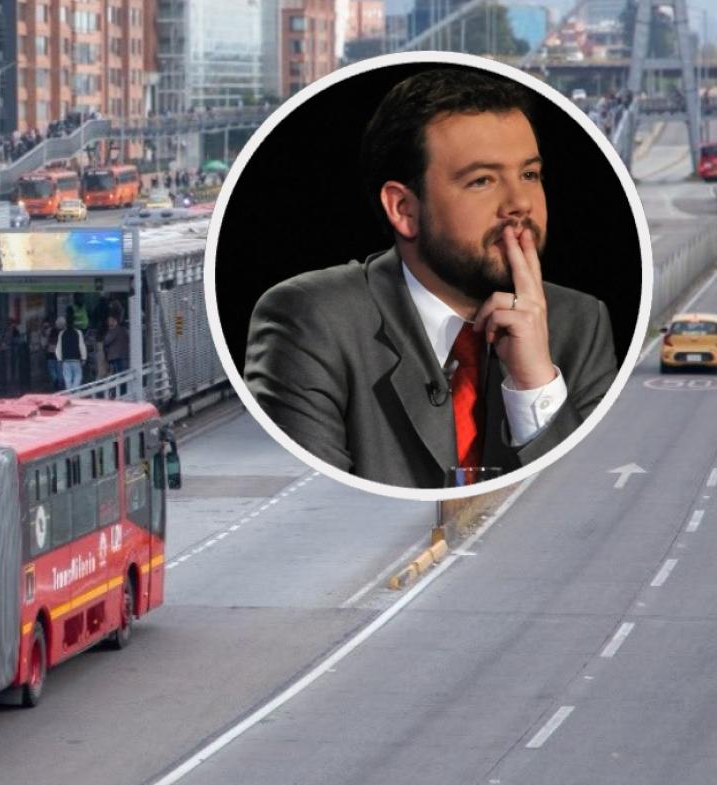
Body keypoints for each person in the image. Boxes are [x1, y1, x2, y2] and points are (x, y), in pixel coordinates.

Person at [244, 68, 618, 489]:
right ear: (403, 208)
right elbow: (310, 506)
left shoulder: (582, 323)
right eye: (482, 181)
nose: (519, 204)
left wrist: (536, 388)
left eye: (529, 175)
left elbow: (594, 509)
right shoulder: (312, 321)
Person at [55, 311, 87, 390]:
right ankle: (74, 391)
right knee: (78, 376)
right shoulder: (78, 332)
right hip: (76, 359)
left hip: (65, 360)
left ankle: (69, 392)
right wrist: (84, 358)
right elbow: (81, 345)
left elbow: (58, 347)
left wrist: (59, 359)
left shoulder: (61, 334)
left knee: (67, 378)